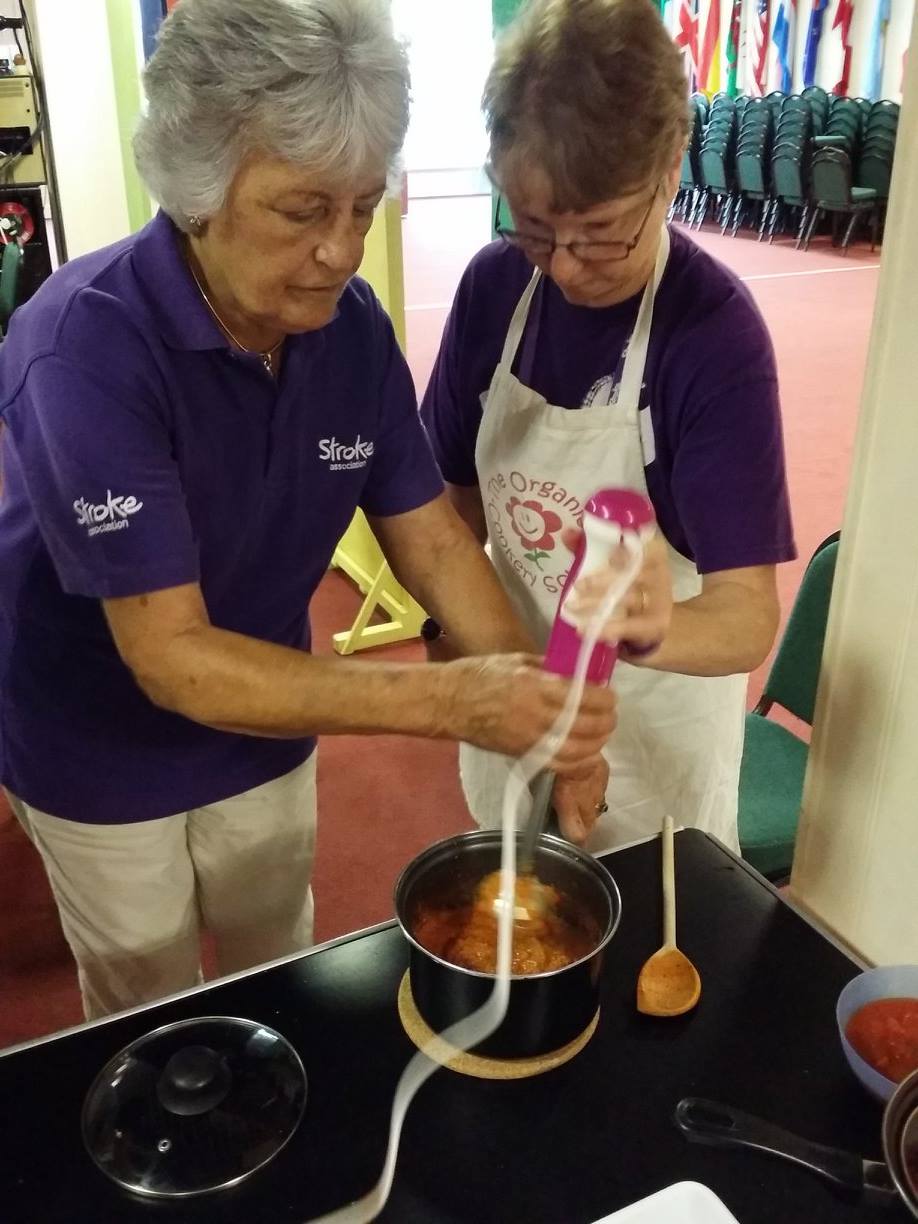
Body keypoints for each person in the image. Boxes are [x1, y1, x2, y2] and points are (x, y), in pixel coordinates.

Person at [0, 0, 617, 1021]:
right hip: (91, 729)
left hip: (270, 706)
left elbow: (433, 544)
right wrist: (454, 703)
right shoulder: (84, 347)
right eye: (302, 211)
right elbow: (173, 658)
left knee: (273, 960)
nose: (342, 250)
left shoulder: (350, 334)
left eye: (364, 207)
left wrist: (544, 712)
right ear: (199, 192)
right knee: (147, 997)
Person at [421, 0, 797, 854]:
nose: (562, 268)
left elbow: (745, 619)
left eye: (598, 237)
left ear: (670, 168)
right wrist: (456, 637)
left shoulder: (713, 339)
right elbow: (448, 513)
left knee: (643, 937)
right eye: (536, 231)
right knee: (514, 915)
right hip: (517, 686)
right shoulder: (493, 292)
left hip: (649, 739)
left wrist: (644, 625)